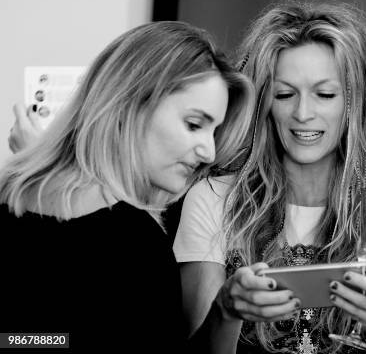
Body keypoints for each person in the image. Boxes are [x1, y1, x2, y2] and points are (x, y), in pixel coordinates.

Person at [173, 0, 366, 353]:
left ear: (354, 103)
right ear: (264, 104)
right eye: (285, 94)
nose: (303, 113)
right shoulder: (213, 198)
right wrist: (227, 311)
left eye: (324, 94)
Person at [0, 21, 254, 350]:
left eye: (213, 131)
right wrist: (224, 315)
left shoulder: (12, 196)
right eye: (194, 124)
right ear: (129, 104)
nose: (210, 151)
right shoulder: (133, 240)